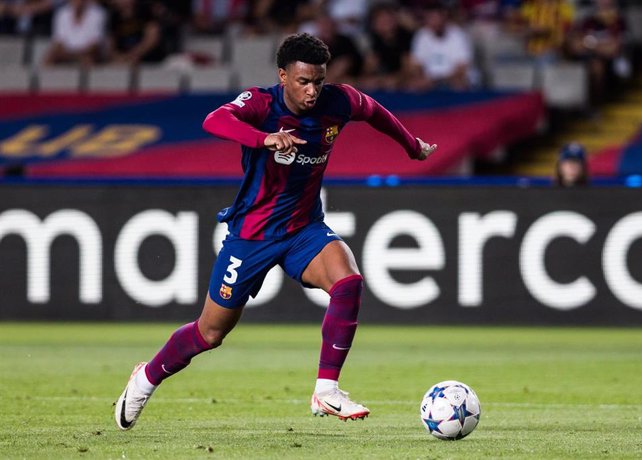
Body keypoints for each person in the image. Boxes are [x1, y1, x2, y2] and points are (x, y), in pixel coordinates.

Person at [114, 32, 437, 430]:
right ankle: (146, 378)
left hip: (304, 229)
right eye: (304, 81)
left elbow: (374, 111)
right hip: (251, 235)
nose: (313, 90)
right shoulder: (260, 103)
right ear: (283, 76)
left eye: (318, 80)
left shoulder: (340, 100)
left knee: (348, 281)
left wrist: (410, 146)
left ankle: (326, 390)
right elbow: (213, 119)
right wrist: (263, 138)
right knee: (210, 333)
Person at [408, 3, 475, 90]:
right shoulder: (421, 35)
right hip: (428, 80)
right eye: (430, 19)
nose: (434, 22)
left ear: (444, 17)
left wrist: (438, 81)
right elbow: (416, 65)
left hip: (452, 79)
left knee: (459, 83)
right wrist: (421, 77)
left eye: (436, 18)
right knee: (412, 84)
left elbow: (462, 68)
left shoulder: (458, 34)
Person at [43, 0, 106, 66]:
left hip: (88, 53)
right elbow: (59, 42)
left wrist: (77, 55)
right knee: (49, 58)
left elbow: (95, 44)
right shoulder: (62, 13)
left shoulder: (97, 13)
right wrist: (71, 55)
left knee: (90, 58)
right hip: (66, 54)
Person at [107, 0, 166, 65]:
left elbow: (153, 38)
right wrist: (118, 57)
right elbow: (112, 45)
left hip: (151, 61)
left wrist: (133, 54)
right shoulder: (113, 17)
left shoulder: (145, 10)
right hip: (125, 62)